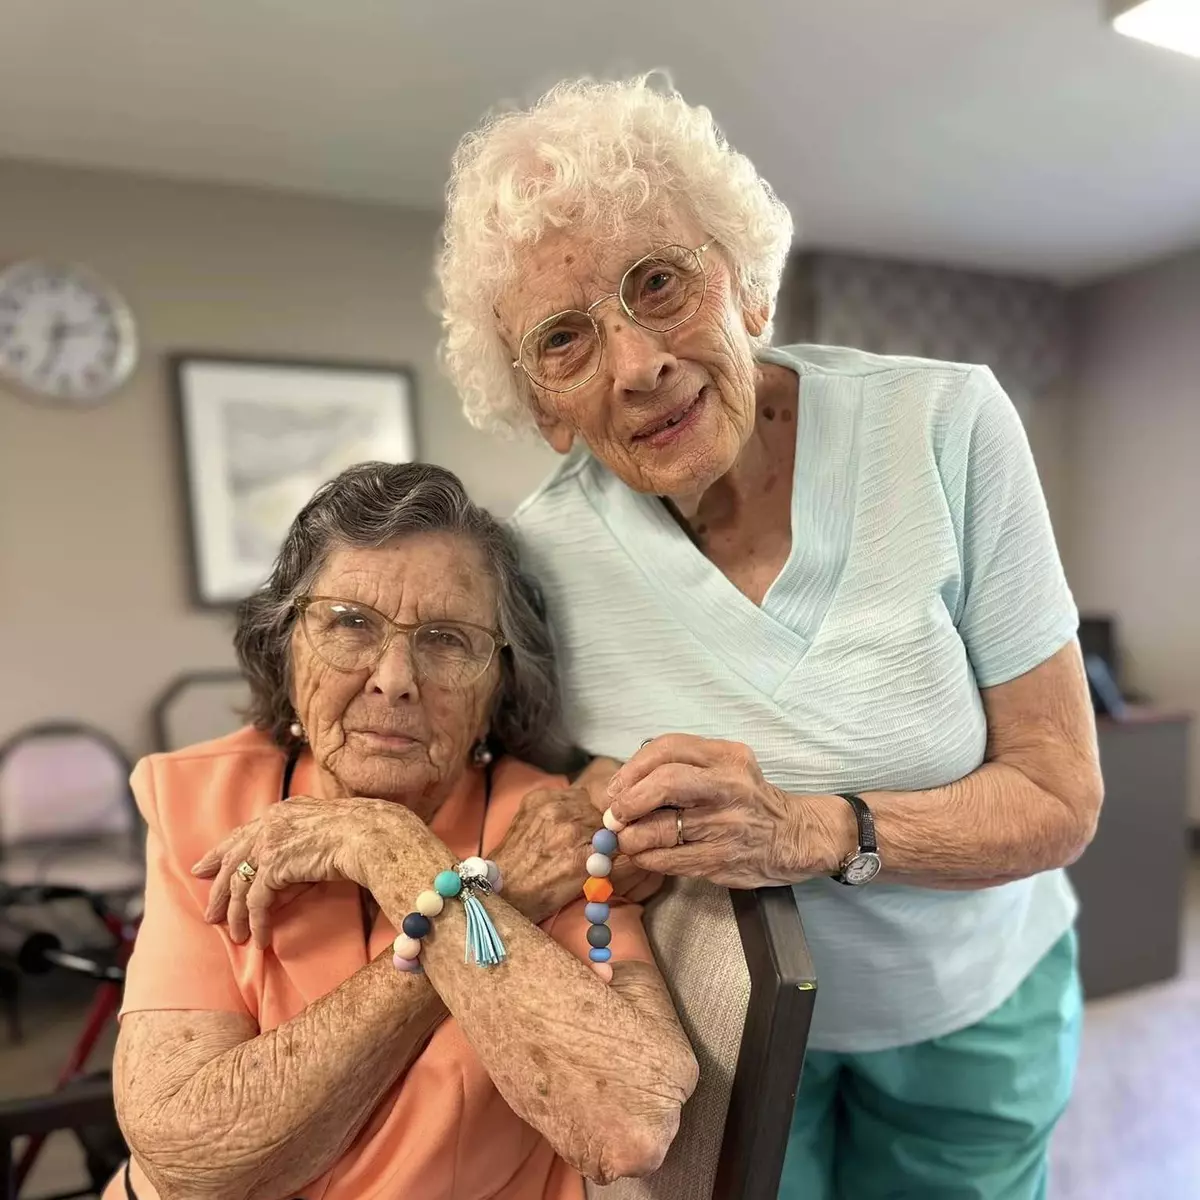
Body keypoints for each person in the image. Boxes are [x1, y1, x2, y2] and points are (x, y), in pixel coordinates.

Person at [436, 76, 1103, 1199]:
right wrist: (598, 801)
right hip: (728, 1033)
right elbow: (543, 785)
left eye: (659, 282)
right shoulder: (536, 555)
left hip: (975, 1005)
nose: (637, 364)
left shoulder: (946, 425)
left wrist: (813, 829)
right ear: (543, 408)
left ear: (744, 283)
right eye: (564, 340)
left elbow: (1059, 794)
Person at [105, 462, 697, 1200]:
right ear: (285, 644)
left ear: (502, 681)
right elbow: (187, 1154)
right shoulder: (201, 798)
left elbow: (628, 1122)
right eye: (350, 622)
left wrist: (387, 848)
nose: (394, 678)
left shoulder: (550, 830)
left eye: (447, 639)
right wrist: (496, 896)